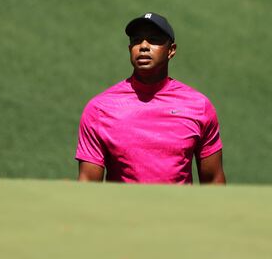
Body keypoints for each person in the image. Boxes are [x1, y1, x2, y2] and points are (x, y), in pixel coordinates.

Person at [75, 12, 226, 184]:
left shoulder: (199, 106)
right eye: (136, 40)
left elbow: (214, 182)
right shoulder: (100, 109)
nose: (143, 46)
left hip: (179, 211)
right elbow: (87, 185)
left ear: (171, 50)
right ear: (129, 49)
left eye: (154, 39)